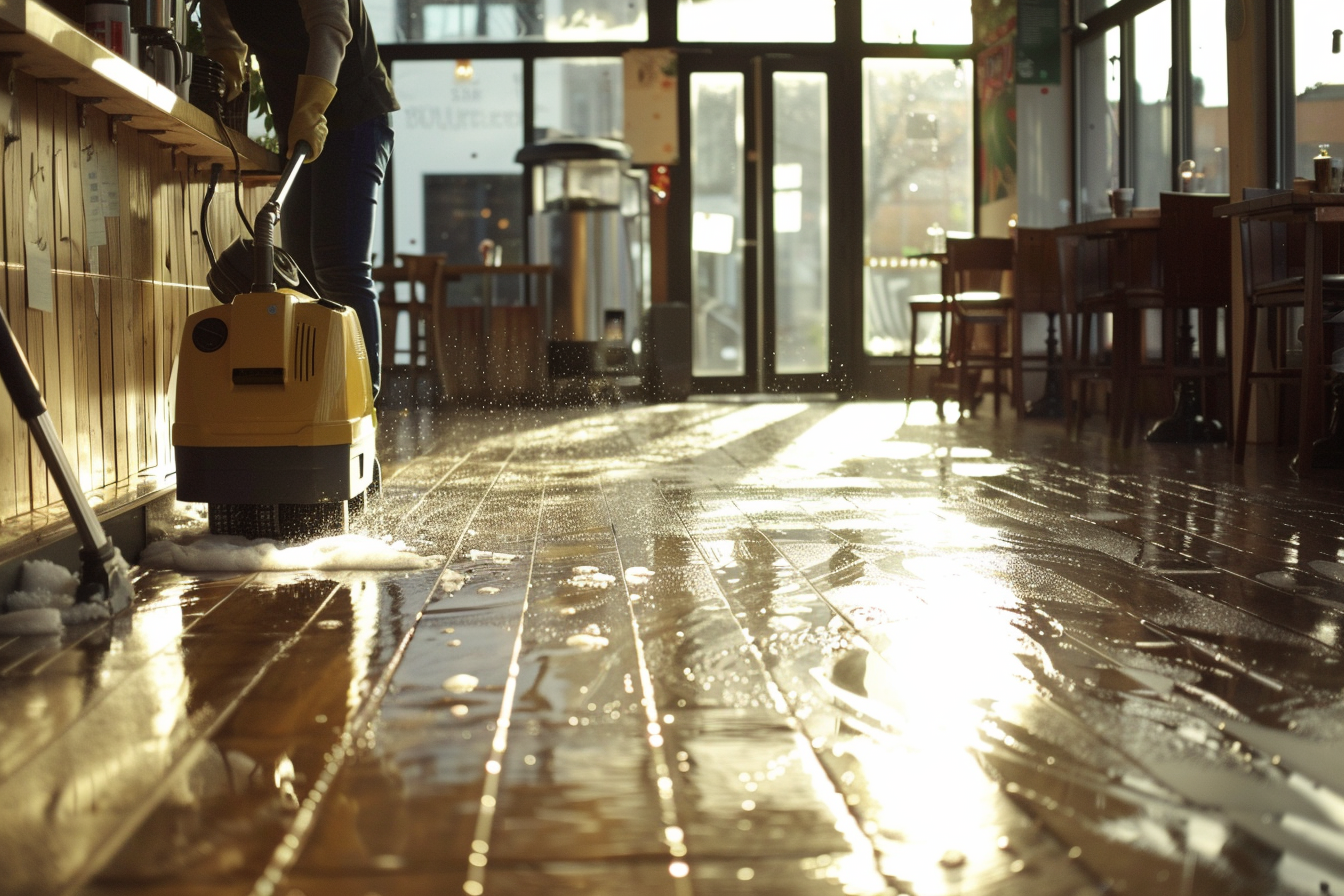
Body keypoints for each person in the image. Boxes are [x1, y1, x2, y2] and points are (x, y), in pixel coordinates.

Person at [203, 0, 398, 398]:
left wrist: (311, 108)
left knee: (338, 266)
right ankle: (317, 400)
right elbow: (221, 33)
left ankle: (362, 405)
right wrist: (224, 72)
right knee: (304, 273)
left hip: (353, 115)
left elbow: (331, 27)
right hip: (297, 124)